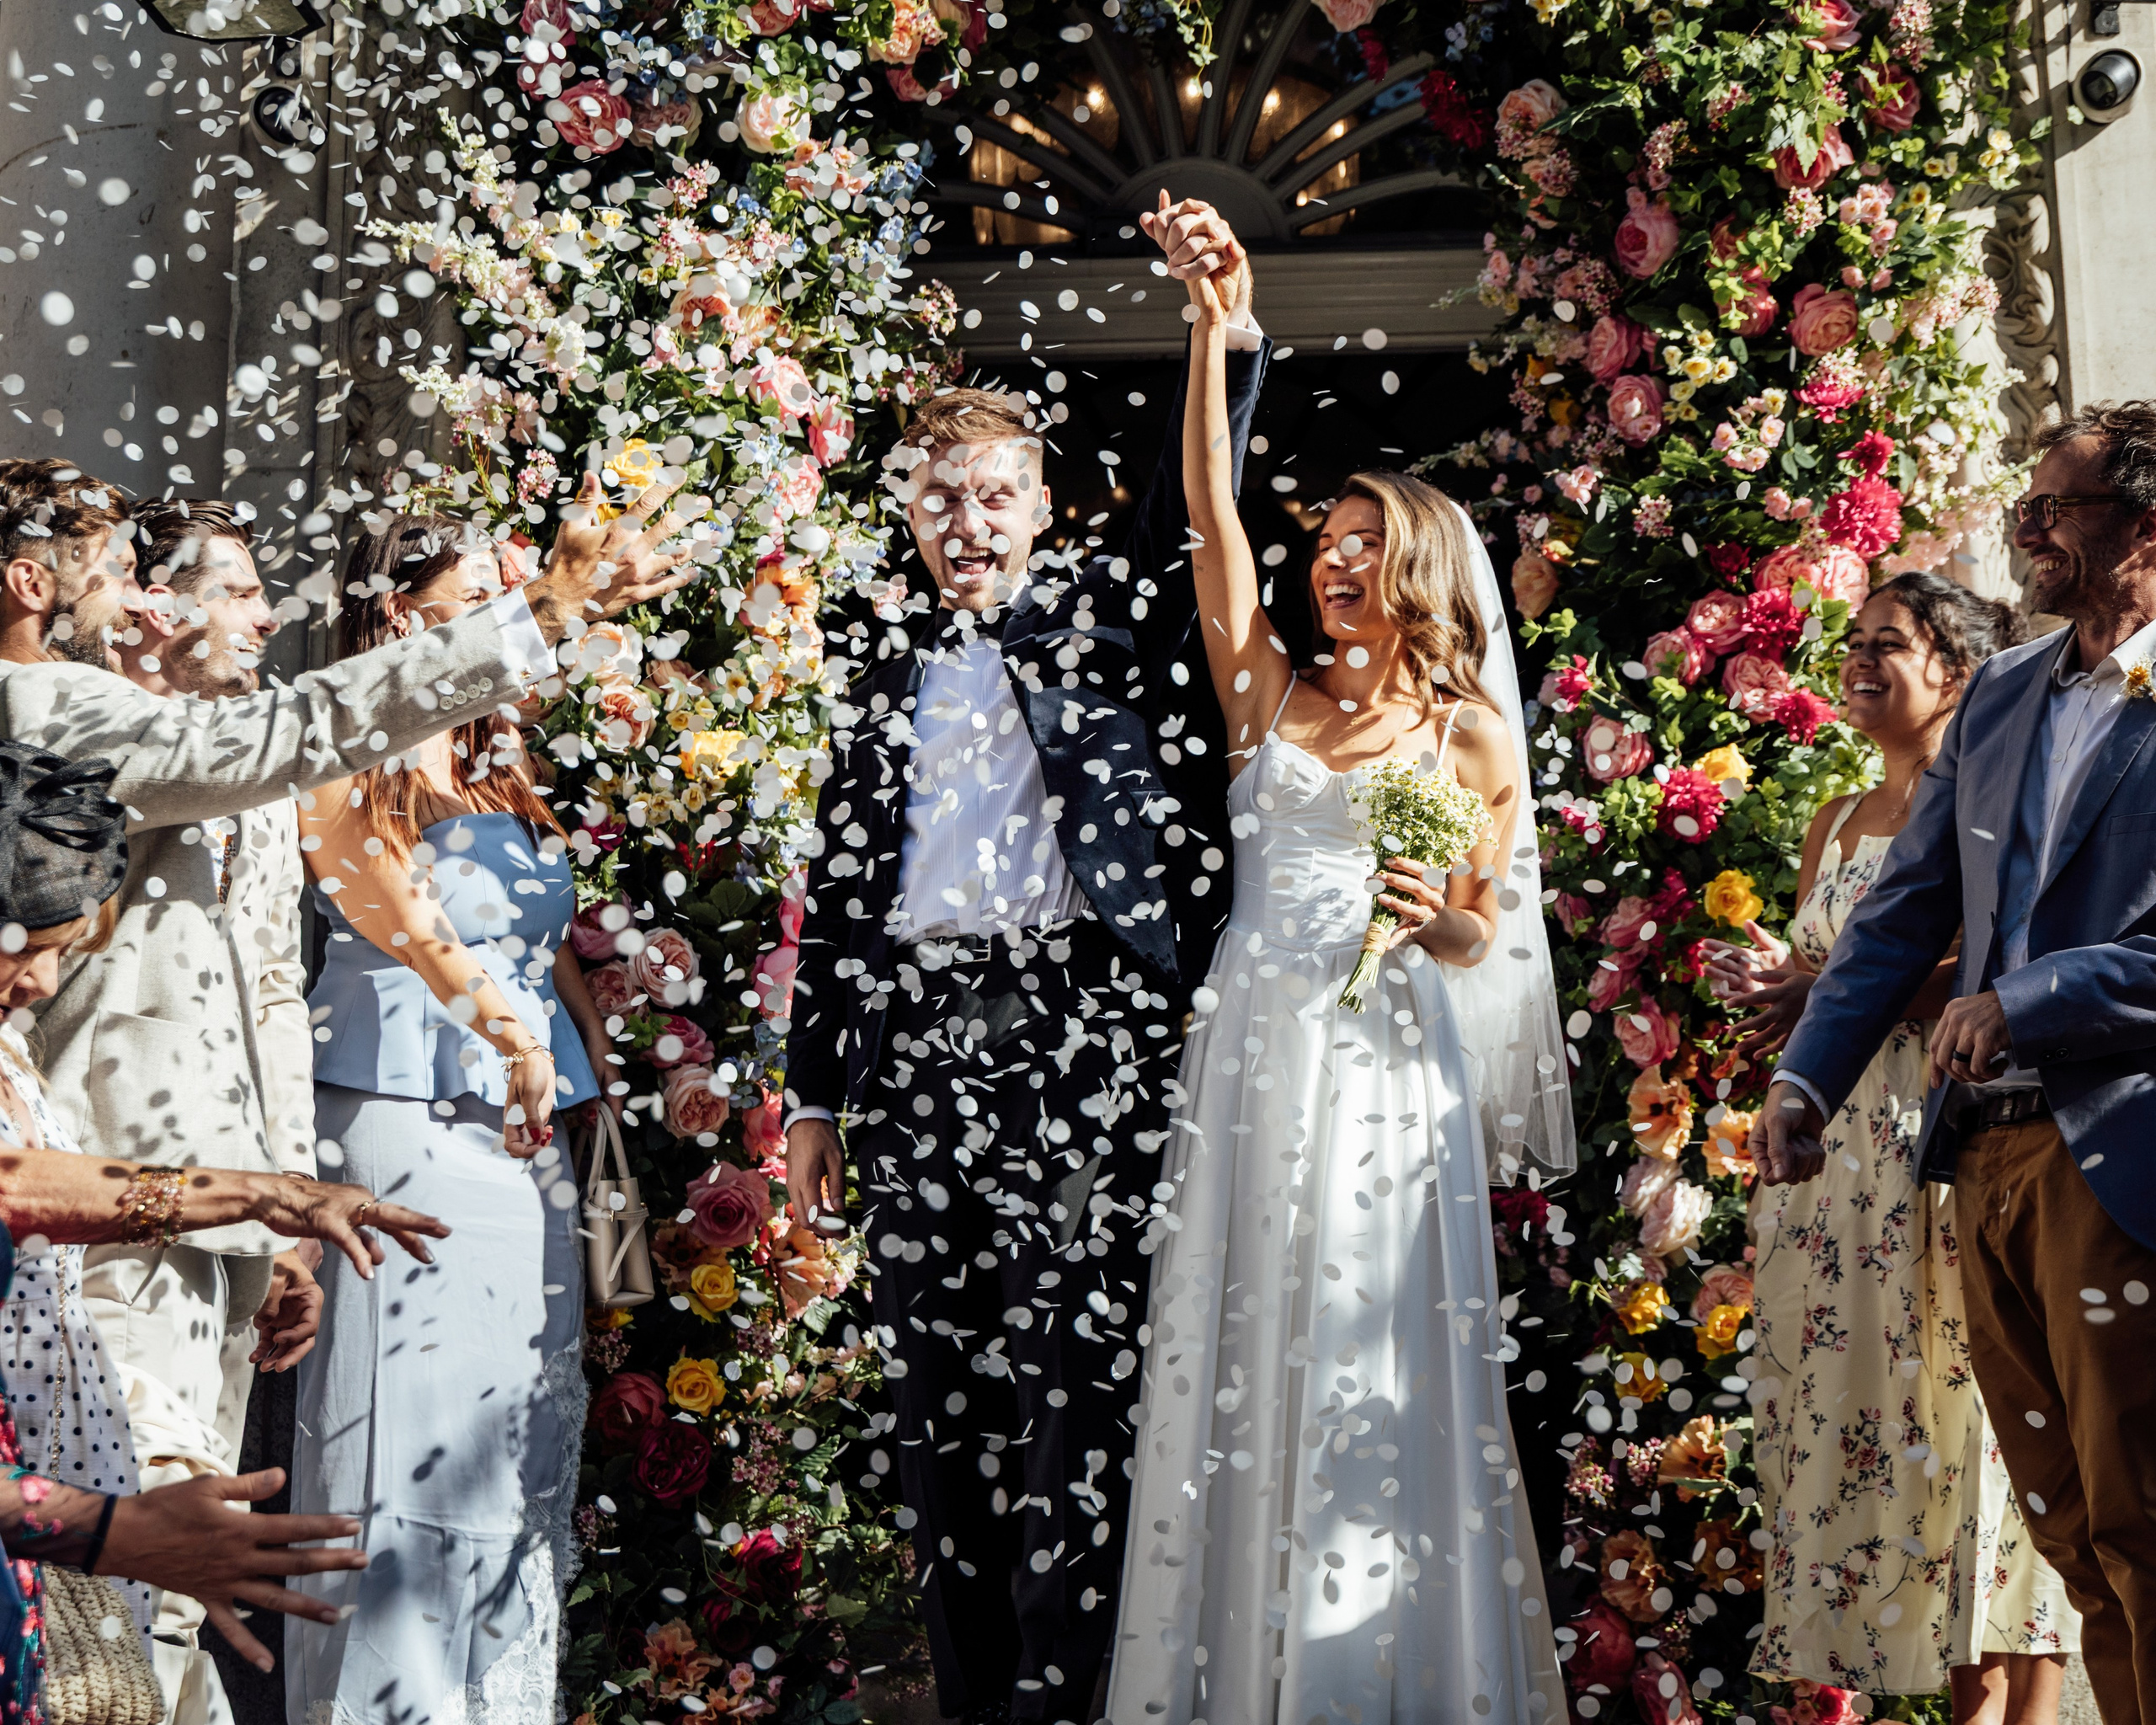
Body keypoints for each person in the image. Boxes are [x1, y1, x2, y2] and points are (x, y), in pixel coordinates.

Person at [783, 196, 1267, 1724]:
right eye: (943, 500)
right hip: (918, 1044)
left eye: (996, 496)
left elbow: (1202, 511)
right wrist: (816, 1100)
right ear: (910, 513)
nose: (969, 523)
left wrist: (1222, 331)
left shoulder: (1113, 617)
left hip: (1075, 1024)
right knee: (943, 1397)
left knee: (1073, 1385)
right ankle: (981, 1698)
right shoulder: (875, 658)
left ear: (1043, 505)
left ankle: (1084, 1699)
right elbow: (844, 888)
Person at [1103, 248, 1572, 1722]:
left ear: (1420, 564)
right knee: (1247, 1338)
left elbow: (1483, 933)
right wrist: (1209, 336)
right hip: (1256, 1053)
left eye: (1365, 543)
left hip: (1390, 1069)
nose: (1333, 559)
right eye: (1328, 540)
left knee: (1376, 1353)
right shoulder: (1269, 692)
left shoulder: (1468, 737)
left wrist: (1436, 917)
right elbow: (1208, 517)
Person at [1760, 400, 2156, 1725]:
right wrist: (1806, 1077)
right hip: (1977, 1153)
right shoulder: (2001, 693)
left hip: (2119, 1159)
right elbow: (1903, 909)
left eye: (2059, 507)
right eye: (2029, 503)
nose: (2027, 527)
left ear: (2146, 528)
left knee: (2143, 1518)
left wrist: (2031, 997)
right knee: (2069, 1536)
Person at [0, 737, 451, 1699]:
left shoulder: (10, 1055)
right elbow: (16, 1189)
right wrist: (256, 1194)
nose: (38, 986)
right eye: (30, 950)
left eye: (59, 956)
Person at [1705, 574, 2077, 1718]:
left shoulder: (1983, 813)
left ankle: (2019, 1704)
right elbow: (1830, 978)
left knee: (1977, 1431)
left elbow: (1978, 977)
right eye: (1853, 642)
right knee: (1896, 1441)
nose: (1860, 662)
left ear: (1959, 675)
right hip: (1842, 1187)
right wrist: (1780, 998)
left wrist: (1820, 989)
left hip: (1940, 1147)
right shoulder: (1834, 817)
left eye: (1893, 645)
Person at [284, 515, 616, 1725]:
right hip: (401, 1115)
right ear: (407, 617)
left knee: (509, 1447)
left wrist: (595, 1064)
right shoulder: (341, 743)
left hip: (525, 1146)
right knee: (388, 1446)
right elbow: (375, 892)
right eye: (480, 595)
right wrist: (509, 1028)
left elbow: (543, 939)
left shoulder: (496, 761)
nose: (506, 615)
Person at [85, 494, 323, 1722]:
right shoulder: (94, 738)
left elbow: (275, 987)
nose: (267, 613)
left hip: (237, 1213)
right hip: (109, 1202)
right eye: (236, 589)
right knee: (130, 1541)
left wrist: (290, 1209)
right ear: (156, 600)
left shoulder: (258, 769)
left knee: (202, 1557)